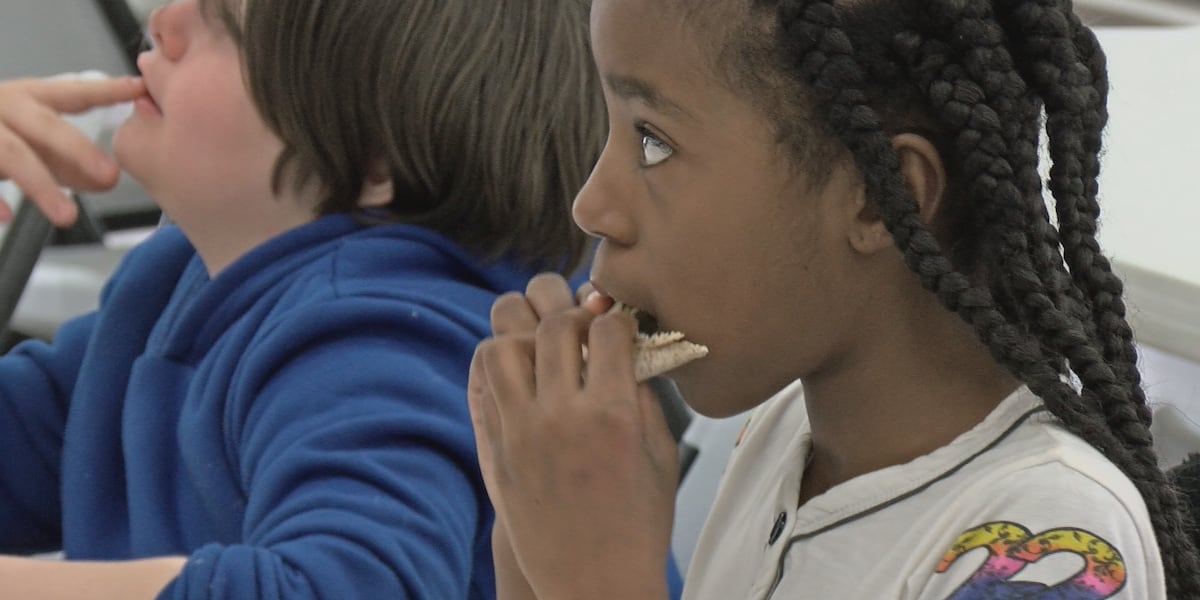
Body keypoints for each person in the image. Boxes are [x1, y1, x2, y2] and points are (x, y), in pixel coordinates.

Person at [468, 0, 1200, 598]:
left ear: (882, 199)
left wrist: (596, 577)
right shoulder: (784, 431)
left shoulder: (1049, 546)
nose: (593, 205)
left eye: (652, 142)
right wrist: (534, 527)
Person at [0, 0, 604, 597]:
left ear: (374, 162)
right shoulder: (185, 281)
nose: (163, 19)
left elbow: (342, 587)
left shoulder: (379, 342)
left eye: (226, 28)